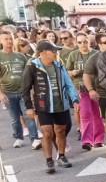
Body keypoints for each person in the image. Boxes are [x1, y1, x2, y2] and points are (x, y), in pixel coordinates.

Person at [22, 40, 80, 174]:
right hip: (43, 106)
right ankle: (49, 161)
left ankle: (61, 156)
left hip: (61, 104)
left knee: (60, 131)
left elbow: (69, 83)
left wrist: (75, 100)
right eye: (52, 50)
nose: (56, 53)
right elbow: (25, 89)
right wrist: (29, 107)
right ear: (42, 52)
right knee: (47, 133)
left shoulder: (59, 66)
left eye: (56, 50)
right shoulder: (32, 66)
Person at [0, 29, 40, 149]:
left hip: (23, 92)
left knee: (29, 115)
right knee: (15, 118)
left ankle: (35, 139)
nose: (9, 41)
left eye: (11, 39)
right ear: (1, 41)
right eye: (6, 39)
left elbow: (28, 74)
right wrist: (1, 94)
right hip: (8, 92)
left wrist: (32, 89)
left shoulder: (20, 56)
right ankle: (18, 137)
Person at [65, 32, 104, 151]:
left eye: (85, 41)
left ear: (89, 42)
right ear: (76, 43)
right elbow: (67, 72)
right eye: (80, 42)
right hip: (80, 88)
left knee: (98, 115)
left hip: (96, 88)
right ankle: (87, 140)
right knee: (85, 114)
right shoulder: (73, 55)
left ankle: (98, 140)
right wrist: (72, 73)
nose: (83, 44)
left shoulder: (96, 54)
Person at [82, 32, 106, 119]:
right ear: (100, 44)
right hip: (103, 95)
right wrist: (91, 90)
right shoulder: (94, 58)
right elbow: (86, 74)